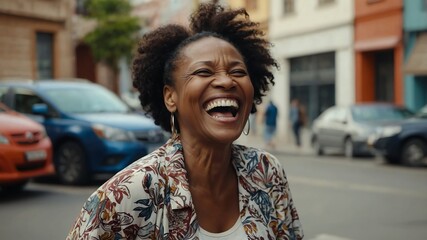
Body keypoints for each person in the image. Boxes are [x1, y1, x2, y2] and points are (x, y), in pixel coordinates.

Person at [66, 1, 303, 239]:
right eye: (204, 72)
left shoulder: (267, 172)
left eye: (238, 72)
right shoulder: (127, 194)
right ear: (171, 97)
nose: (227, 81)